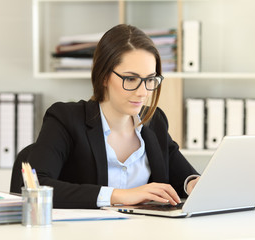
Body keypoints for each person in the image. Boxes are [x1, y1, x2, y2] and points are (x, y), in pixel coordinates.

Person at [28, 24, 200, 209]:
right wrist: (120, 196)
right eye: (131, 79)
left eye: (150, 79)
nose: (143, 92)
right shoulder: (65, 119)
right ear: (104, 76)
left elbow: (183, 175)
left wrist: (193, 184)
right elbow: (34, 186)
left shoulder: (154, 121)